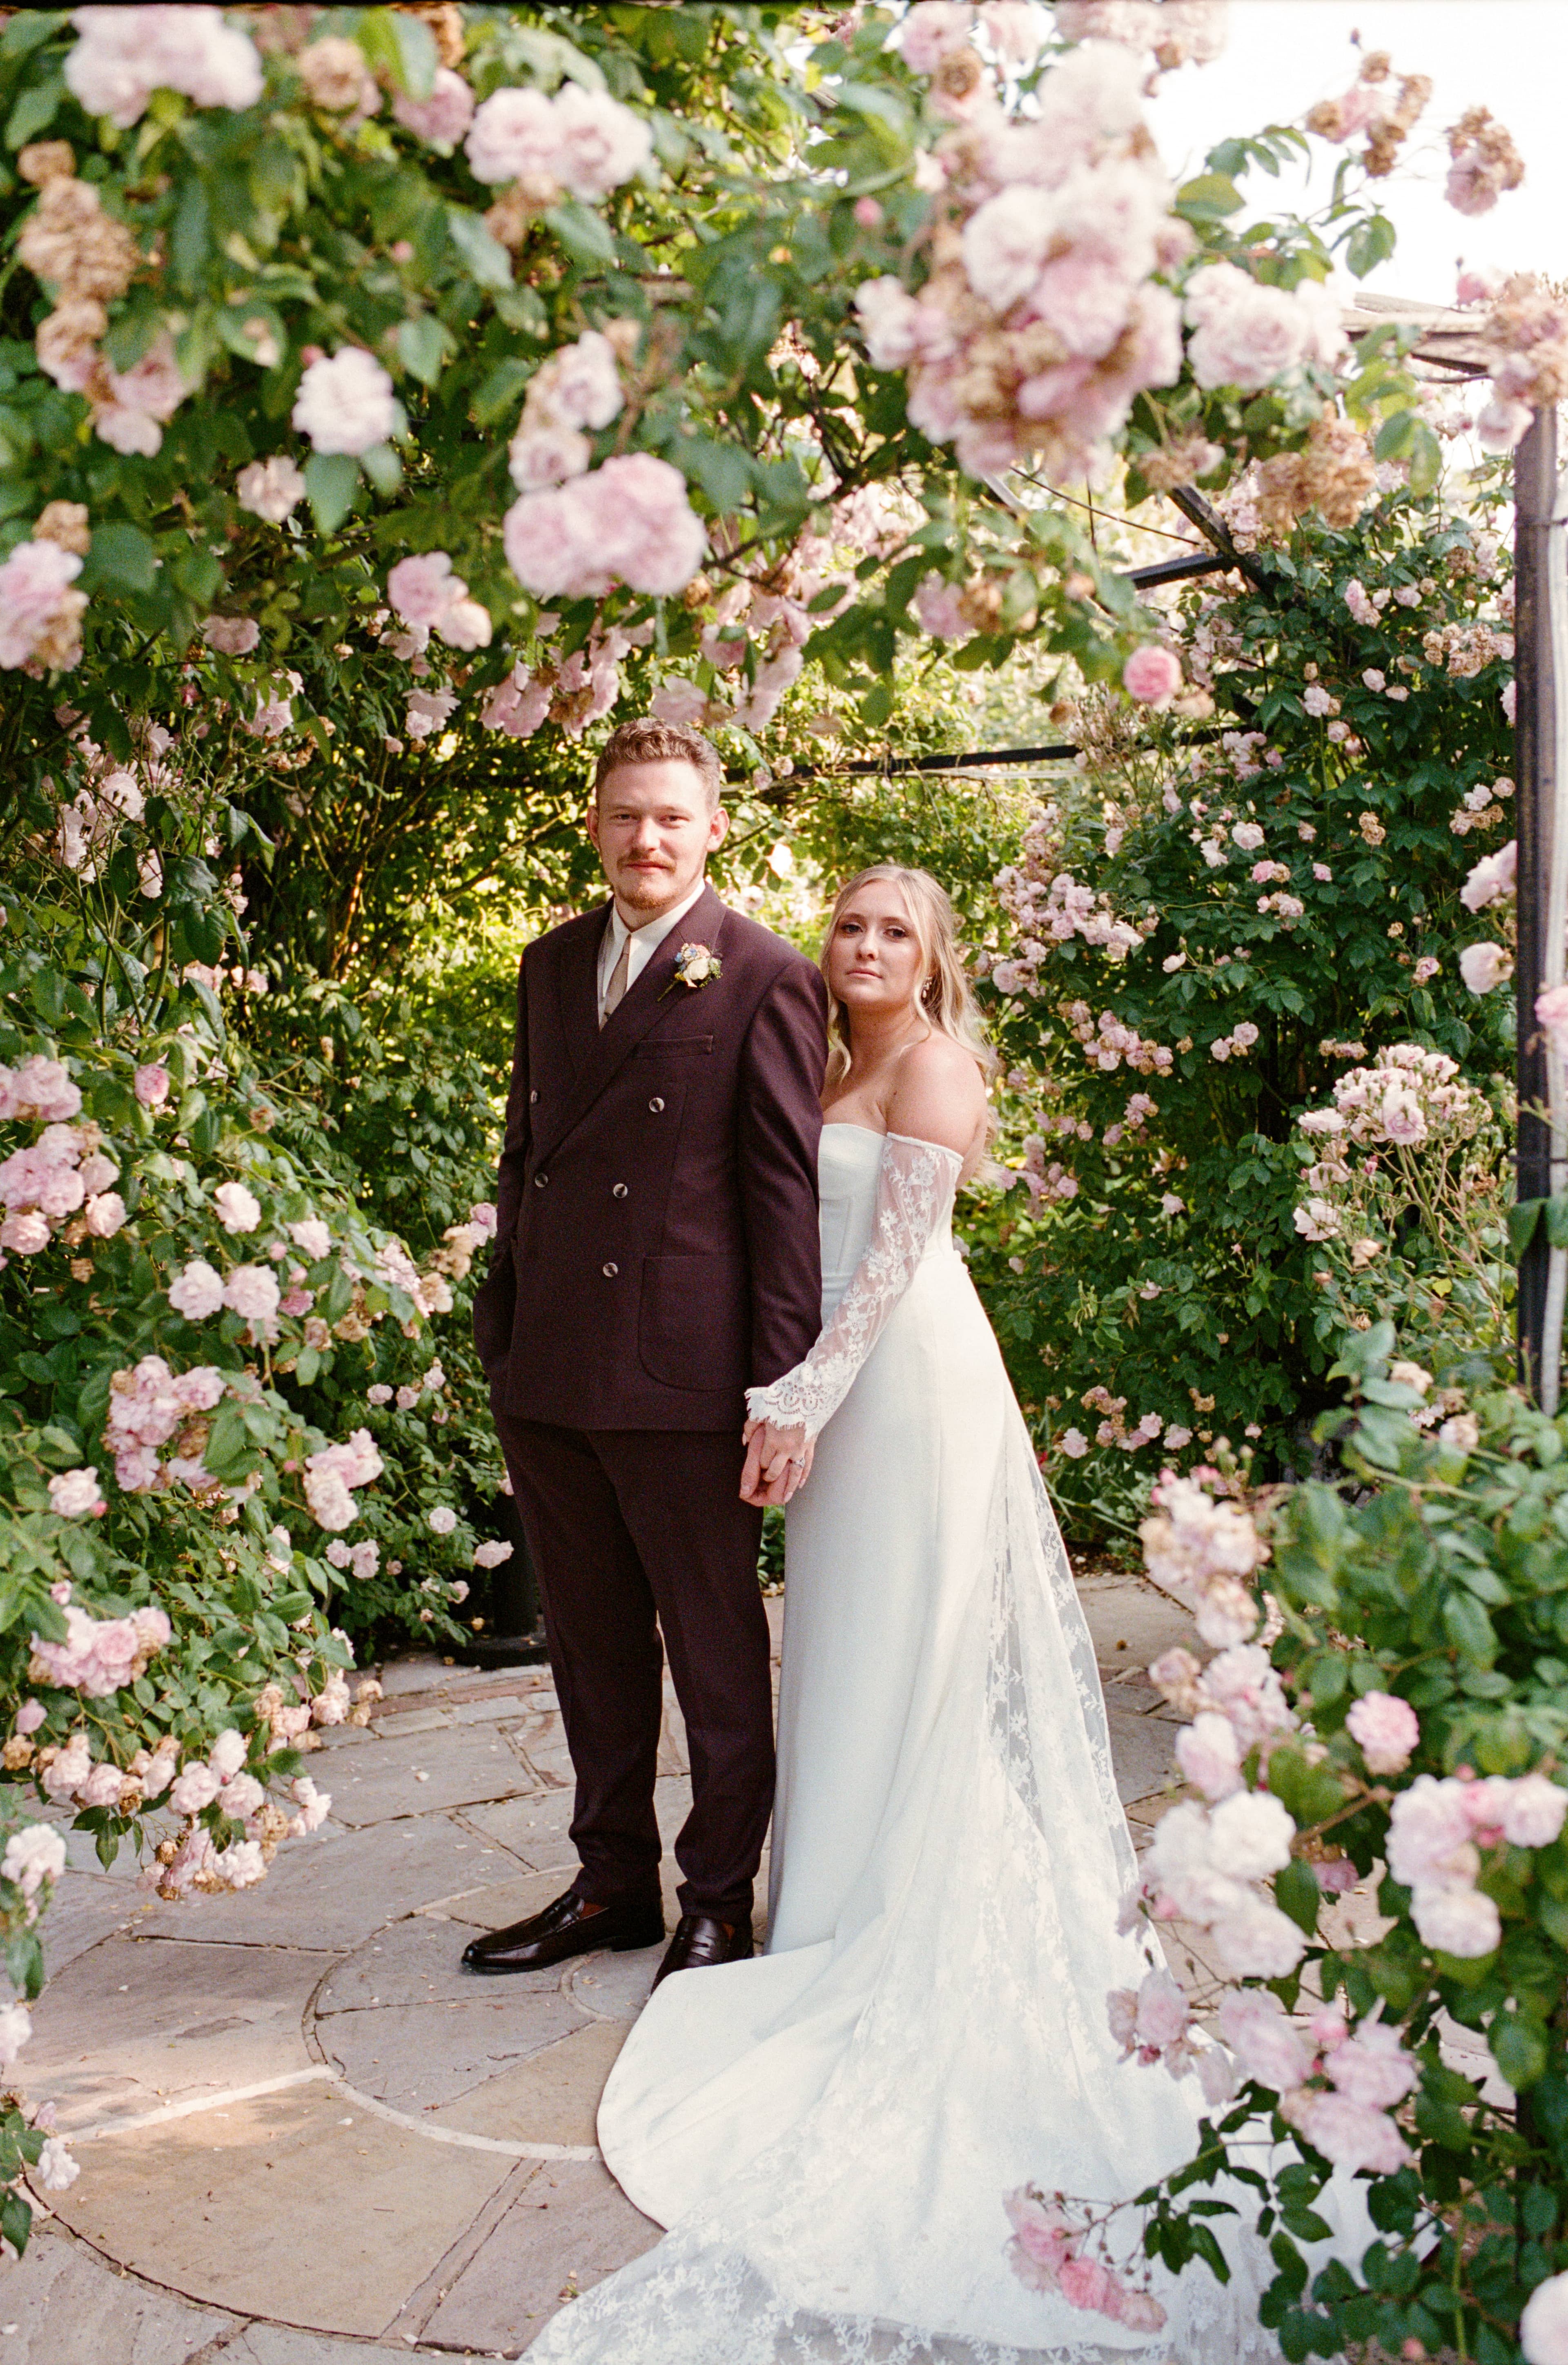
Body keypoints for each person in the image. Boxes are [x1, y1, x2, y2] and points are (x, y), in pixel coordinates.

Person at [523, 864, 1317, 2364]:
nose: (867, 946)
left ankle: (876, 1922)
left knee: (910, 1651)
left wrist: (803, 1395)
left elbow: (890, 1266)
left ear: (934, 955)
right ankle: (825, 1901)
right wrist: (790, 1389)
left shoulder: (934, 1065)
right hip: (822, 1395)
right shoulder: (819, 1052)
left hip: (899, 1389)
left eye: (896, 929)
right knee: (844, 1654)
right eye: (851, 924)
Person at [466, 718, 829, 1989]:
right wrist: (503, 1324)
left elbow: (782, 1199)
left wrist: (785, 1393)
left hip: (685, 1378)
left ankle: (718, 1898)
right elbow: (528, 1152)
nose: (647, 838)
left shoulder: (766, 974)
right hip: (554, 1368)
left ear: (713, 825)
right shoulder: (550, 964)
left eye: (671, 815)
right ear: (594, 823)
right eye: (625, 814)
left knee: (718, 1658)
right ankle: (611, 1881)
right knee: (592, 1649)